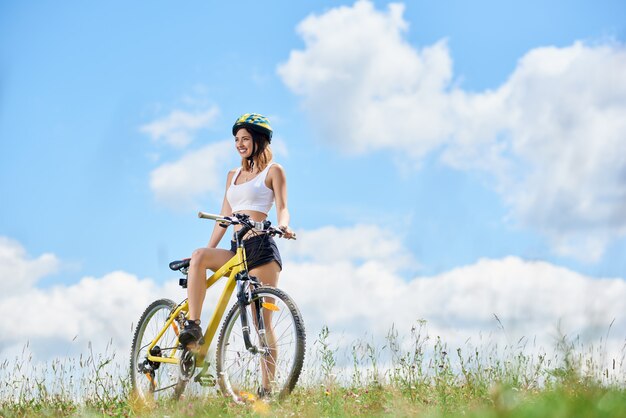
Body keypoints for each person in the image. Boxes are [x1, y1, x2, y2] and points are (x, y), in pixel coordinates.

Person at [178, 112, 295, 352]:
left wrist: (284, 225)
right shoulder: (232, 176)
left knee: (260, 320)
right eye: (236, 140)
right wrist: (210, 247)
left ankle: (267, 387)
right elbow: (223, 219)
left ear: (259, 141)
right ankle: (193, 324)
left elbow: (283, 208)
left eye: (245, 139)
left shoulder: (274, 171)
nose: (239, 144)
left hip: (261, 248)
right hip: (237, 248)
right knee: (199, 256)